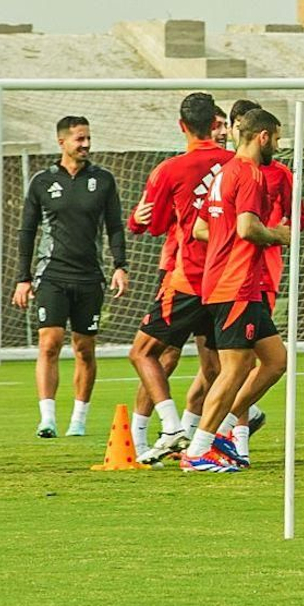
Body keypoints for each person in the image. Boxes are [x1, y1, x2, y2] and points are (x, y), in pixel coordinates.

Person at [181, 108, 291, 473]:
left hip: (237, 281)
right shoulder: (249, 174)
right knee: (234, 369)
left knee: (275, 361)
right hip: (235, 282)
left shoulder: (223, 172)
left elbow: (200, 229)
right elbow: (247, 228)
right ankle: (198, 449)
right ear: (262, 137)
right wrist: (278, 235)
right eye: (276, 138)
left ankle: (224, 433)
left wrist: (228, 237)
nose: (277, 145)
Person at [126, 93, 231, 464]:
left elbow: (151, 225)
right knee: (221, 367)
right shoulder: (236, 164)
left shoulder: (169, 170)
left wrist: (136, 218)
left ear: (182, 125)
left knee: (143, 352)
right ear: (216, 126)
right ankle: (216, 439)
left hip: (189, 278)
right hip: (230, 279)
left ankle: (172, 427)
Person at [13, 115, 128, 438]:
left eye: (88, 138)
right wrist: (23, 278)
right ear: (62, 142)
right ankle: (47, 418)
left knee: (84, 348)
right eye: (80, 139)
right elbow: (27, 231)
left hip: (90, 276)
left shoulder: (103, 180)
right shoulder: (41, 181)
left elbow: (114, 226)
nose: (86, 144)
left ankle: (79, 418)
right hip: (52, 273)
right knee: (49, 343)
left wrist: (121, 265)